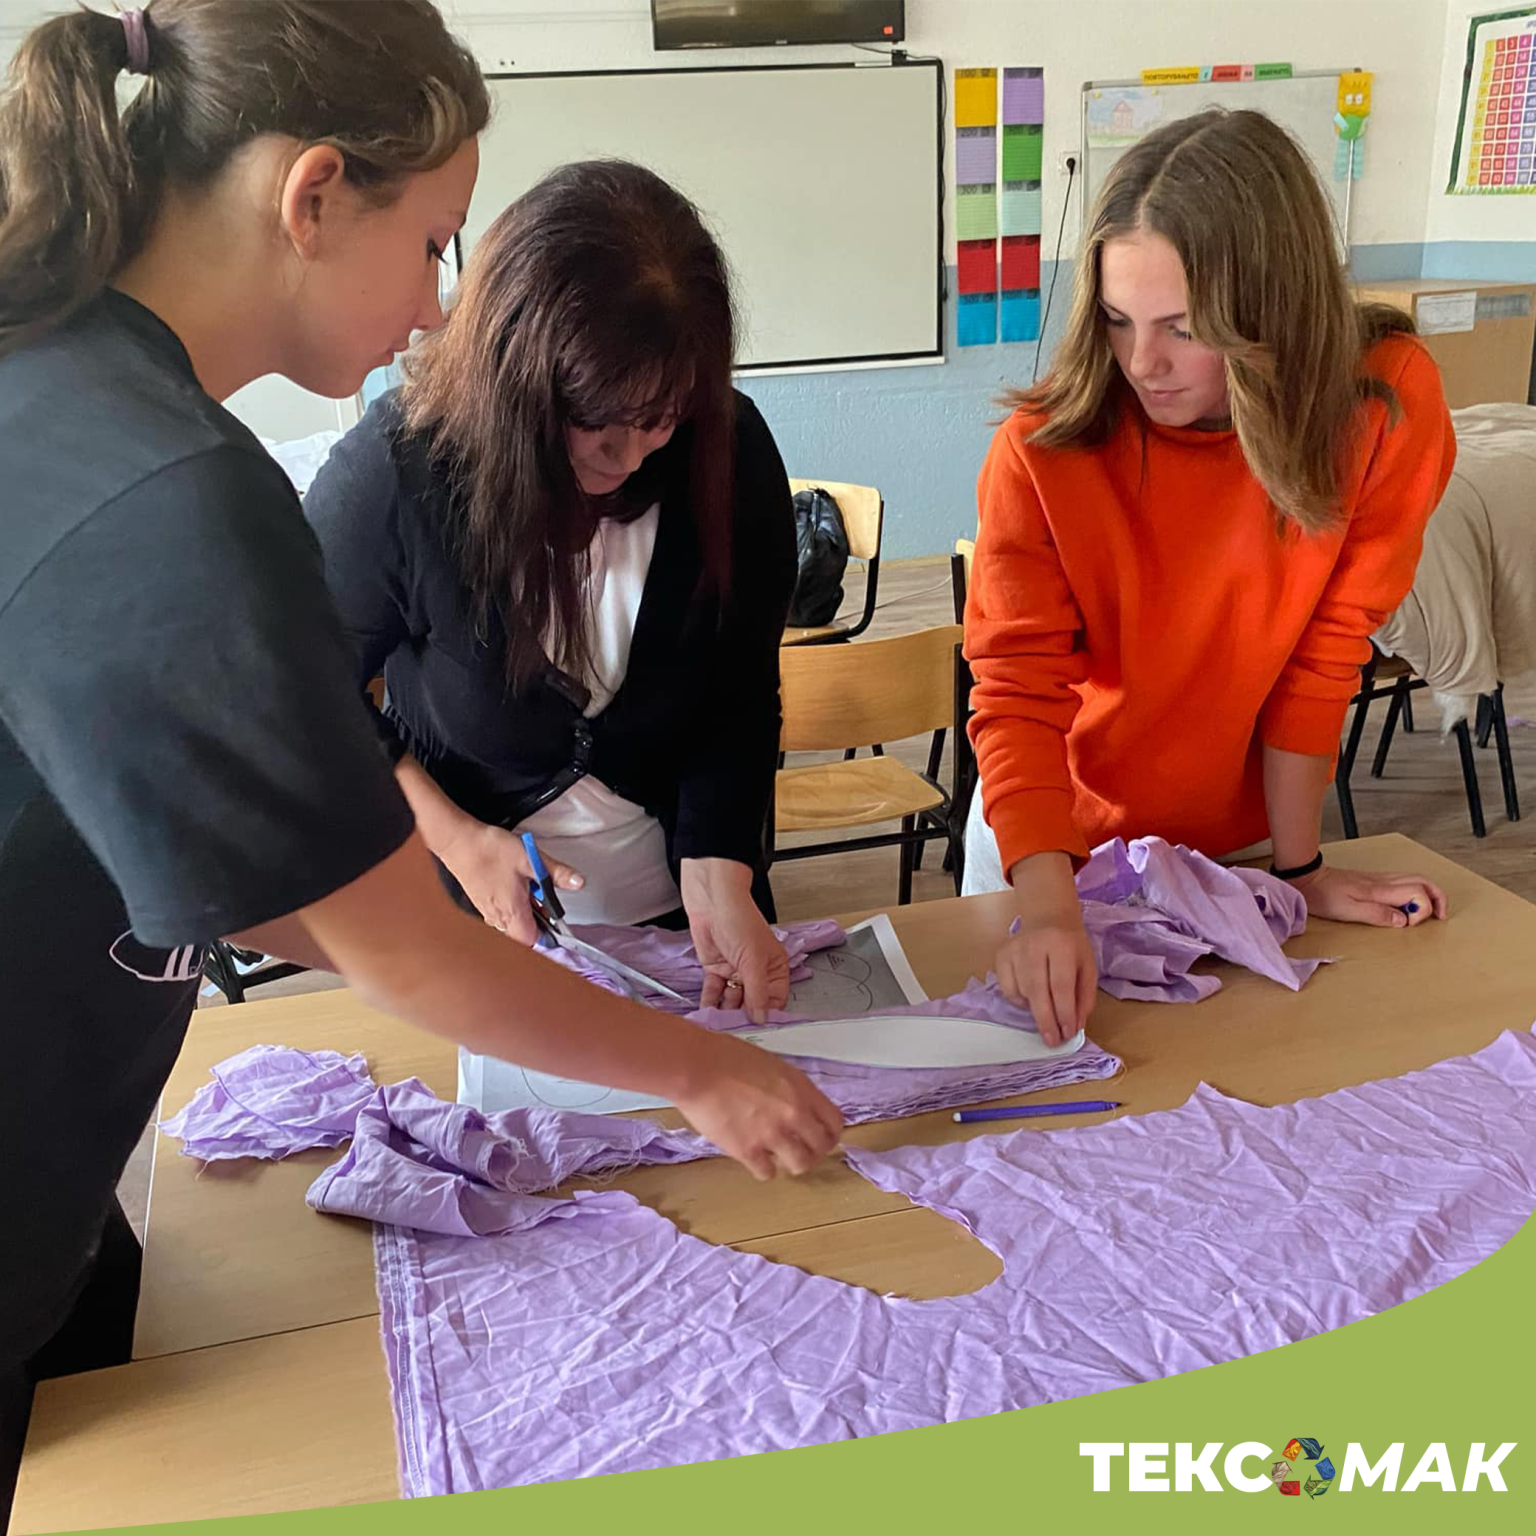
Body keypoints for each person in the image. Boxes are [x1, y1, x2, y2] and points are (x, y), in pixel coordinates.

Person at [0, 1, 839, 1511]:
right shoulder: (177, 492)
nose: (438, 303)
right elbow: (389, 941)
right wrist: (700, 1072)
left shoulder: (63, 382)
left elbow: (242, 871)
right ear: (314, 197)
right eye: (437, 244)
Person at [962, 109, 1457, 1046]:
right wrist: (1053, 910)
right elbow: (1017, 693)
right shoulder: (1042, 449)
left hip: (1238, 848)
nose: (1142, 364)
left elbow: (1324, 658)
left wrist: (1300, 869)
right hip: (1053, 845)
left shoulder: (1383, 403)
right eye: (1116, 320)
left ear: (1275, 310)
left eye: (1185, 329)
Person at [303, 159, 795, 1017]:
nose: (630, 456)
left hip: (685, 938)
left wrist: (719, 863)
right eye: (596, 420)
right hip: (472, 935)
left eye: (661, 417)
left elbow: (739, 689)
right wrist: (459, 842)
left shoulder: (727, 449)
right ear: (515, 383)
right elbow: (304, 698)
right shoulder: (400, 472)